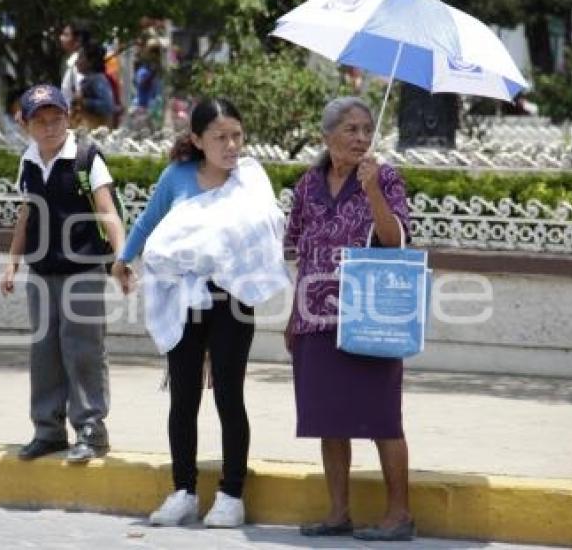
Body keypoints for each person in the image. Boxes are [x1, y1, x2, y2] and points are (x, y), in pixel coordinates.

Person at [111, 99, 290, 528]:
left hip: (232, 297)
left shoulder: (250, 180)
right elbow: (149, 221)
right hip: (182, 298)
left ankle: (231, 495)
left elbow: (270, 228)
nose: (230, 146)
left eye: (237, 136)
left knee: (229, 394)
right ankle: (183, 491)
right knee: (184, 396)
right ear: (197, 140)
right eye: (219, 137)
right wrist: (123, 259)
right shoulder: (176, 177)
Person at [283, 96, 414, 542]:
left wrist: (373, 189)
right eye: (351, 129)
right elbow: (300, 250)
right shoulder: (307, 185)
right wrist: (292, 316)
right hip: (314, 318)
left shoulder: (386, 178)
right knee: (329, 419)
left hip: (370, 317)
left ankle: (399, 515)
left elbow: (394, 241)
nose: (361, 138)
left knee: (381, 417)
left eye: (366, 130)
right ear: (328, 136)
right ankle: (338, 513)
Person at [0, 84, 124, 464]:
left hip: (83, 268)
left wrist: (122, 257)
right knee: (45, 350)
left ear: (68, 118)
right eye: (40, 121)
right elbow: (27, 212)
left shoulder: (86, 157)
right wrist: (13, 260)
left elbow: (107, 211)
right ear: (25, 124)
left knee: (83, 349)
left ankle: (91, 429)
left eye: (56, 118)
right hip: (43, 270)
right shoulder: (29, 160)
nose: (50, 127)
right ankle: (48, 430)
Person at [72, 43, 115, 130]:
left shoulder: (97, 80)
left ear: (91, 61)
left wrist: (83, 102)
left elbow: (107, 106)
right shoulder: (88, 80)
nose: (77, 62)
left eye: (80, 57)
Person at [59, 21, 90, 106]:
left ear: (78, 40)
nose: (61, 38)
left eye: (66, 35)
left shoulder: (79, 63)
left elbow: (80, 94)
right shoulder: (71, 62)